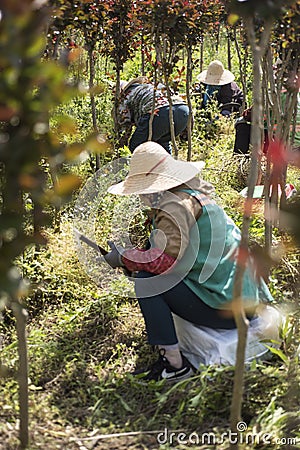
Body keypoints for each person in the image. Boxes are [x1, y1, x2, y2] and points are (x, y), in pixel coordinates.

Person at [103, 141, 273, 382]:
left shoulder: (175, 206)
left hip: (226, 307)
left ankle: (174, 365)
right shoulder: (192, 195)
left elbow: (163, 262)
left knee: (146, 282)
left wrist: (125, 258)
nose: (141, 196)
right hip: (243, 300)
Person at [116, 77, 190, 154]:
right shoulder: (150, 85)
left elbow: (124, 124)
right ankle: (168, 164)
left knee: (136, 146)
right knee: (162, 143)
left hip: (159, 112)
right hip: (183, 110)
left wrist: (120, 147)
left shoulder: (125, 97)